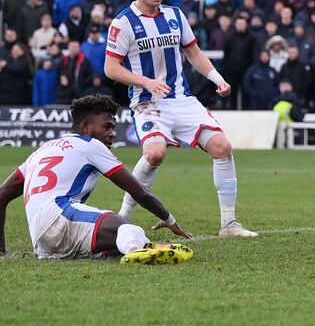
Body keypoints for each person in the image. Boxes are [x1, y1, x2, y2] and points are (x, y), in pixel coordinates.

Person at [104, 0, 257, 238]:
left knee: (222, 147)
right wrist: (146, 81)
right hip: (148, 103)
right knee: (154, 154)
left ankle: (229, 224)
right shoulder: (123, 22)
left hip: (182, 100)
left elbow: (193, 53)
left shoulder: (175, 15)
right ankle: (123, 217)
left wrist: (217, 79)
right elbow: (111, 68)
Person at [0, 95, 192, 263]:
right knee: (128, 229)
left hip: (41, 243)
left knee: (116, 243)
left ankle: (122, 249)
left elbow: (2, 196)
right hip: (59, 216)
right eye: (107, 127)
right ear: (85, 127)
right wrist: (169, 219)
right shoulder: (90, 145)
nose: (112, 133)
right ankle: (137, 253)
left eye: (113, 127)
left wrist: (2, 251)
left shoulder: (42, 150)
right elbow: (138, 192)